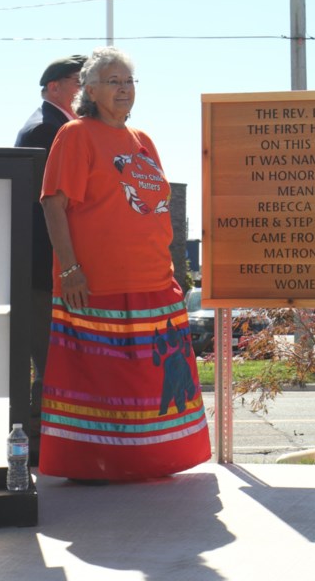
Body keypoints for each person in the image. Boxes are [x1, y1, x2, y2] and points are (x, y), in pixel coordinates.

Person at [38, 46, 211, 481]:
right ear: (90, 89)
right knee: (106, 383)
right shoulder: (75, 135)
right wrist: (69, 269)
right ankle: (100, 467)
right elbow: (53, 204)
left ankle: (152, 462)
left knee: (155, 383)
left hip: (155, 283)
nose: (124, 89)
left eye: (129, 82)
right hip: (99, 284)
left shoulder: (143, 141)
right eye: (113, 82)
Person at [15, 54, 86, 466]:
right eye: (80, 81)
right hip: (45, 269)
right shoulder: (46, 128)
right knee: (48, 361)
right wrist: (70, 264)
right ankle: (37, 450)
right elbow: (47, 206)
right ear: (54, 86)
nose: (84, 89)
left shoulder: (59, 125)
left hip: (53, 268)